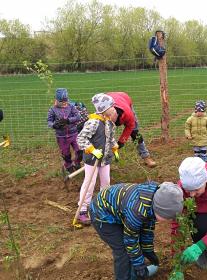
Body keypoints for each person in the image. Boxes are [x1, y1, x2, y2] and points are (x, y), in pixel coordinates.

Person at [90, 181, 183, 280]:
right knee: (123, 250)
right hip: (102, 214)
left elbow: (146, 228)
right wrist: (139, 266)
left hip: (120, 210)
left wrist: (148, 250)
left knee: (134, 246)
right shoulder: (137, 211)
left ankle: (134, 273)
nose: (168, 220)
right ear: (158, 209)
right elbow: (130, 240)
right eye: (167, 217)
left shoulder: (154, 199)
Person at [77, 93, 119, 225]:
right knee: (89, 183)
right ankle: (82, 210)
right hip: (92, 160)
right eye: (112, 106)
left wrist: (114, 147)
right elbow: (81, 138)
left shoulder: (108, 121)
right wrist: (92, 150)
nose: (114, 108)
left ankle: (103, 207)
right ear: (104, 108)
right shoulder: (93, 122)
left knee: (106, 183)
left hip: (105, 158)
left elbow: (110, 137)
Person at [106, 92, 156, 168]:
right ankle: (104, 163)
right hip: (108, 98)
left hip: (123, 98)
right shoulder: (103, 112)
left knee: (136, 134)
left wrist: (120, 143)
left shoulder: (128, 114)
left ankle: (146, 157)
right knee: (103, 135)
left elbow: (130, 128)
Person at [47, 88, 81, 173]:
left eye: (66, 101)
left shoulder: (71, 107)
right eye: (62, 102)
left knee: (80, 151)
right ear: (57, 100)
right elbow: (49, 121)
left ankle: (77, 162)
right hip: (61, 137)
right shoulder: (52, 109)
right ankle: (68, 165)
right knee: (66, 154)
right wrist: (54, 125)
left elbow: (78, 117)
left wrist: (68, 120)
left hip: (74, 134)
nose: (64, 103)